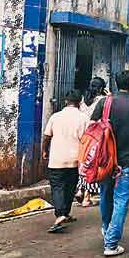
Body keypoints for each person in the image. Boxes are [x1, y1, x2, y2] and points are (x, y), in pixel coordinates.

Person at [91, 70, 129, 256]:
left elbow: (92, 128)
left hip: (105, 160)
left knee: (105, 195)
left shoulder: (105, 102)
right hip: (128, 161)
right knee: (121, 201)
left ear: (116, 83)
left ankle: (106, 228)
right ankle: (110, 244)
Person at [42, 89, 87, 234]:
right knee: (70, 187)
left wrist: (45, 150)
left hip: (57, 159)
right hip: (75, 159)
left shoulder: (56, 117)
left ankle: (60, 214)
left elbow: (47, 136)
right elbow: (86, 140)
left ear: (66, 101)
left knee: (58, 187)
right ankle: (65, 213)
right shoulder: (84, 118)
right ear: (80, 102)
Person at [75, 77, 107, 207]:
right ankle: (87, 197)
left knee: (82, 164)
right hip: (95, 136)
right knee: (91, 165)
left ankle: (80, 190)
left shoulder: (83, 99)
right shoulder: (101, 100)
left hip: (83, 135)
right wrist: (109, 95)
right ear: (101, 88)